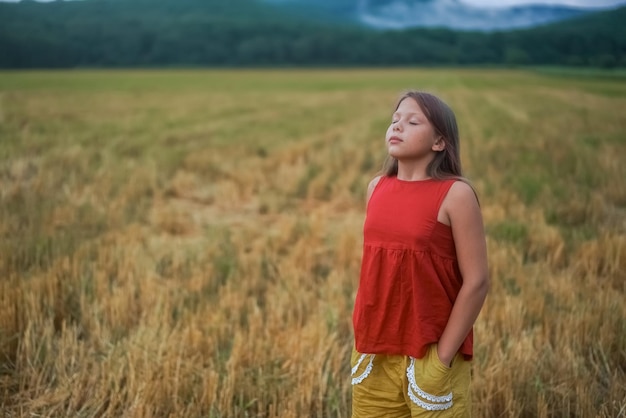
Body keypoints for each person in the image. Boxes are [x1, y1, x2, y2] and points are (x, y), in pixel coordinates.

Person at [351, 91, 489, 417]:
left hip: (430, 349)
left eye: (412, 122)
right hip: (374, 349)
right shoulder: (376, 188)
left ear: (439, 141)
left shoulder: (456, 194)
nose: (397, 126)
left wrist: (442, 357)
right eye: (395, 120)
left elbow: (477, 281)